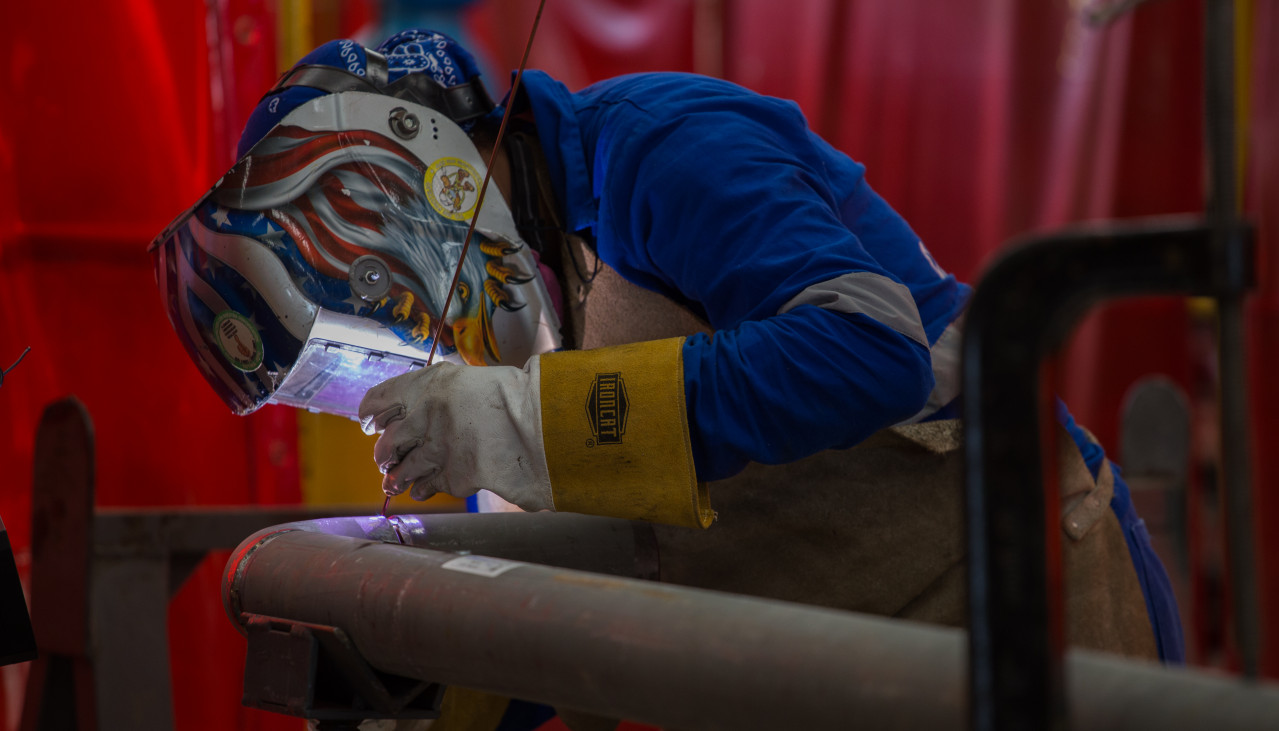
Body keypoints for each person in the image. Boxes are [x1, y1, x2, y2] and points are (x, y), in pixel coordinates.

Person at [151, 29, 1182, 664]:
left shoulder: (657, 147)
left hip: (1028, 611)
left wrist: (524, 423)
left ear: (407, 182)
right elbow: (590, 579)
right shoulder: (541, 297)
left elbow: (870, 350)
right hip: (856, 656)